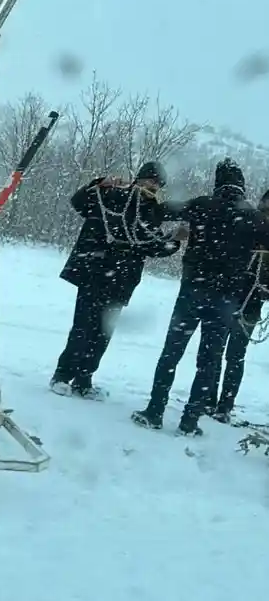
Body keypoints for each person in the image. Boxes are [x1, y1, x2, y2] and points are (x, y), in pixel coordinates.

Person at [133, 159, 269, 436]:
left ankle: (155, 410)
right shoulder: (256, 219)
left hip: (192, 291)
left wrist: (140, 193)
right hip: (227, 298)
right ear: (241, 186)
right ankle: (190, 421)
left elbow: (157, 213)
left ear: (218, 183)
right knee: (209, 360)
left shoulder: (201, 204)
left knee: (172, 352)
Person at [52, 161, 181, 400]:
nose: (153, 186)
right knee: (83, 326)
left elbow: (151, 244)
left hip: (121, 278)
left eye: (157, 183)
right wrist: (98, 184)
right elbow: (78, 203)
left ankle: (84, 379)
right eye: (150, 180)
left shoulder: (151, 208)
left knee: (102, 332)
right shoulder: (112, 195)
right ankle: (62, 375)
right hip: (95, 271)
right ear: (139, 178)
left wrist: (174, 240)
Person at [205, 188, 269, 423]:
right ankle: (214, 402)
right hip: (232, 299)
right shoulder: (249, 225)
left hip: (245, 304)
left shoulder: (250, 225)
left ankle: (220, 404)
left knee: (230, 355)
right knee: (223, 353)